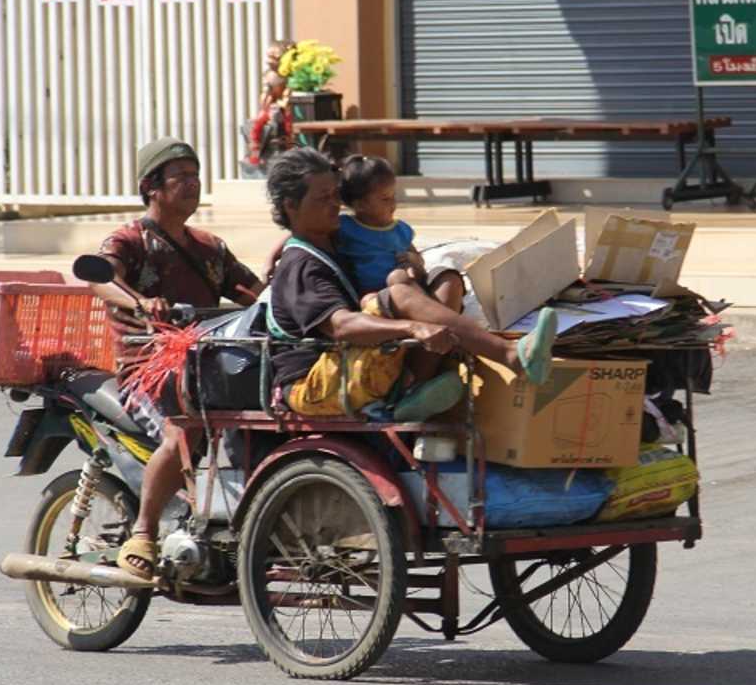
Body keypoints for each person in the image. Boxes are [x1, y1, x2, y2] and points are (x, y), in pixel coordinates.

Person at [264, 147, 557, 420]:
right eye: (323, 198)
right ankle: (511, 355)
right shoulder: (301, 266)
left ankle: (413, 386)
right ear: (291, 206)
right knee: (398, 292)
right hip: (316, 383)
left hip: (350, 363)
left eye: (335, 195)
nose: (335, 205)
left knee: (447, 280)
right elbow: (341, 326)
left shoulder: (333, 239)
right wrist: (411, 327)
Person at [90, 137, 263, 579]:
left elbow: (253, 295)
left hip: (204, 367)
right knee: (181, 433)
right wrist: (139, 303)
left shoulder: (210, 248)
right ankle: (144, 533)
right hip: (148, 370)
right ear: (152, 187)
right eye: (180, 177)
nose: (192, 184)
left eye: (195, 175)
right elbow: (100, 277)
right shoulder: (130, 239)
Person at [263, 154, 465, 314]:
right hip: (374, 296)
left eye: (393, 196)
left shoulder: (400, 230)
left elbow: (416, 259)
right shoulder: (345, 226)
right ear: (360, 204)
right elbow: (294, 237)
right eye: (385, 199)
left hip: (409, 288)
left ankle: (438, 324)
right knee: (394, 282)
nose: (393, 204)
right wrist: (271, 258)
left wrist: (414, 262)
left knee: (446, 277)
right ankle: (450, 329)